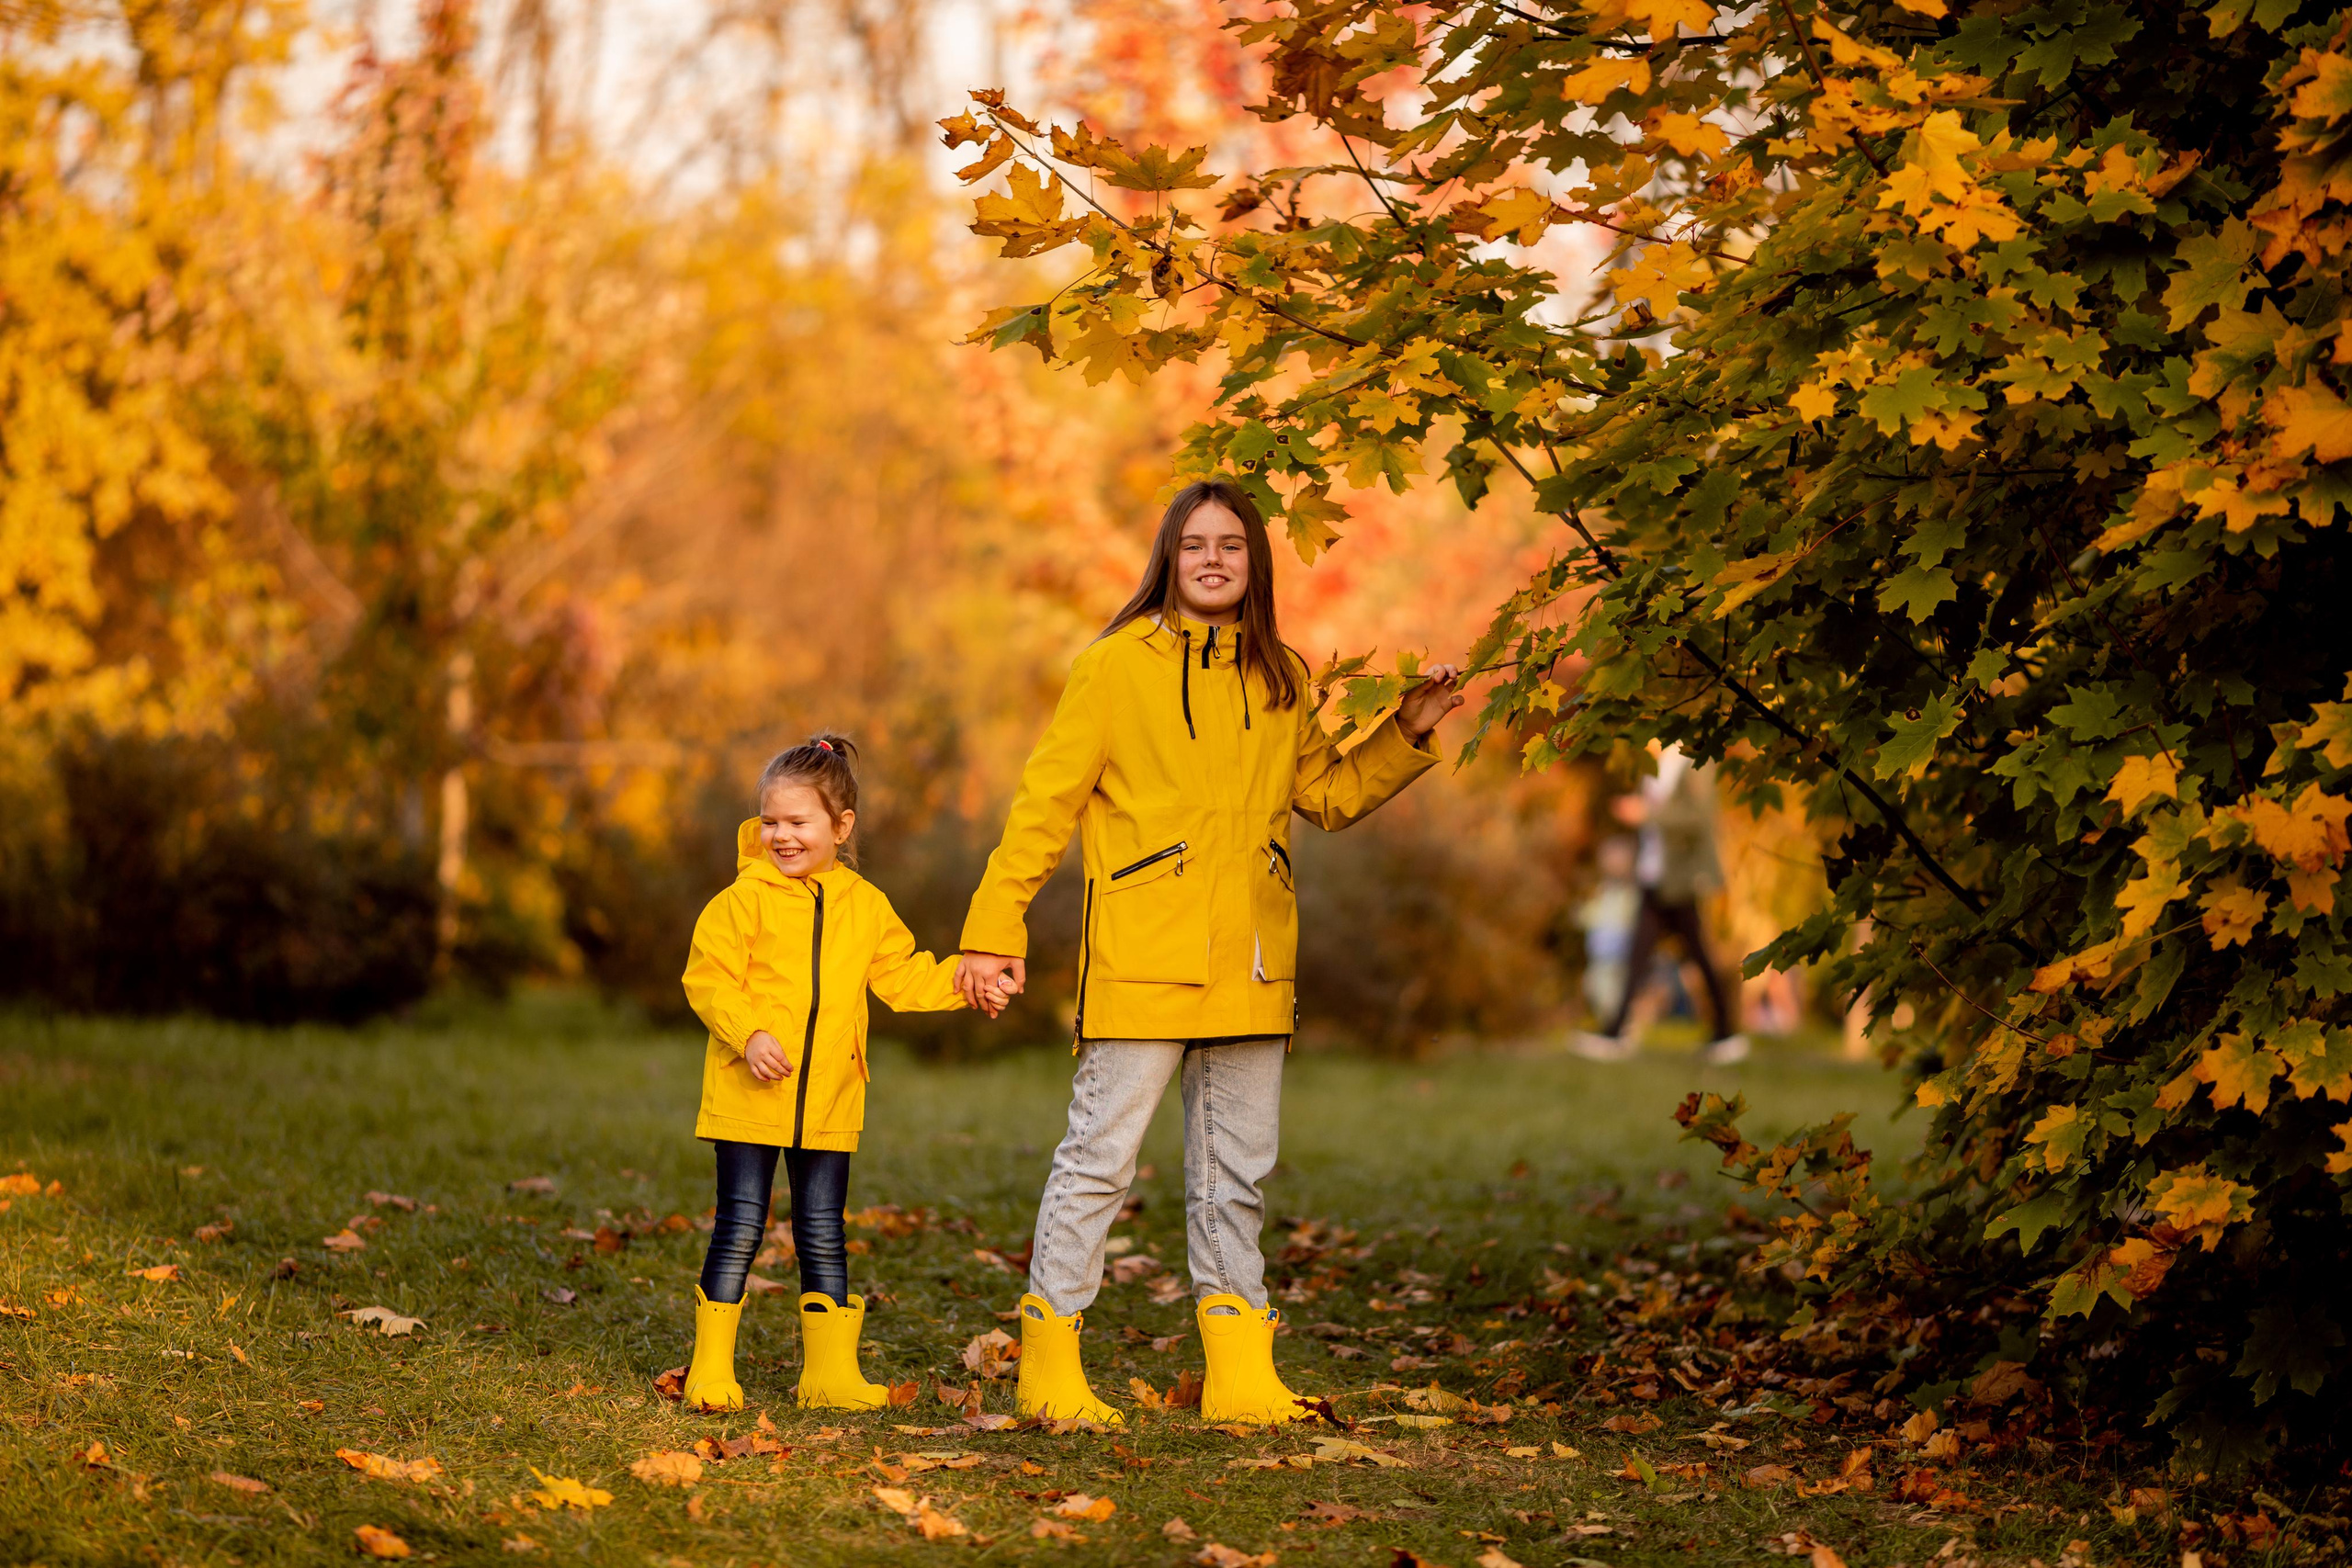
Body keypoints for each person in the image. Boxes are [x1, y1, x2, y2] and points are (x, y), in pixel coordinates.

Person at [954, 477, 1466, 1427]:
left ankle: (1239, 1372)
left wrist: (1408, 730)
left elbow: (1331, 796)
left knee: (1236, 1174)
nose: (1213, 559)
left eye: (1231, 544)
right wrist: (992, 929)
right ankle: (1049, 1361)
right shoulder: (1113, 668)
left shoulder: (1284, 676)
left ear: (1253, 562)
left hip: (1255, 963)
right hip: (1144, 960)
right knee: (1098, 1163)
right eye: (1195, 544)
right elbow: (1042, 811)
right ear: (1168, 556)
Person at [677, 735, 1001, 1411]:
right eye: (771, 821)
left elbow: (904, 974)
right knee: (740, 1224)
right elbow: (708, 980)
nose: (781, 836)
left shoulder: (865, 905)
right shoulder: (741, 901)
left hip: (830, 1099)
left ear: (841, 826)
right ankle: (711, 1367)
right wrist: (750, 1032)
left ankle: (827, 1375)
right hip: (749, 1095)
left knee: (823, 1228)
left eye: (798, 823)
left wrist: (968, 980)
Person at [1571, 744, 1750, 1065]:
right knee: (1637, 953)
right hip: (1653, 876)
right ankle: (1615, 1032)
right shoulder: (1649, 769)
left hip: (1681, 879)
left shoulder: (1694, 764)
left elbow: (1699, 815)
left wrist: (1647, 813)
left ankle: (1727, 1032)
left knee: (1699, 954)